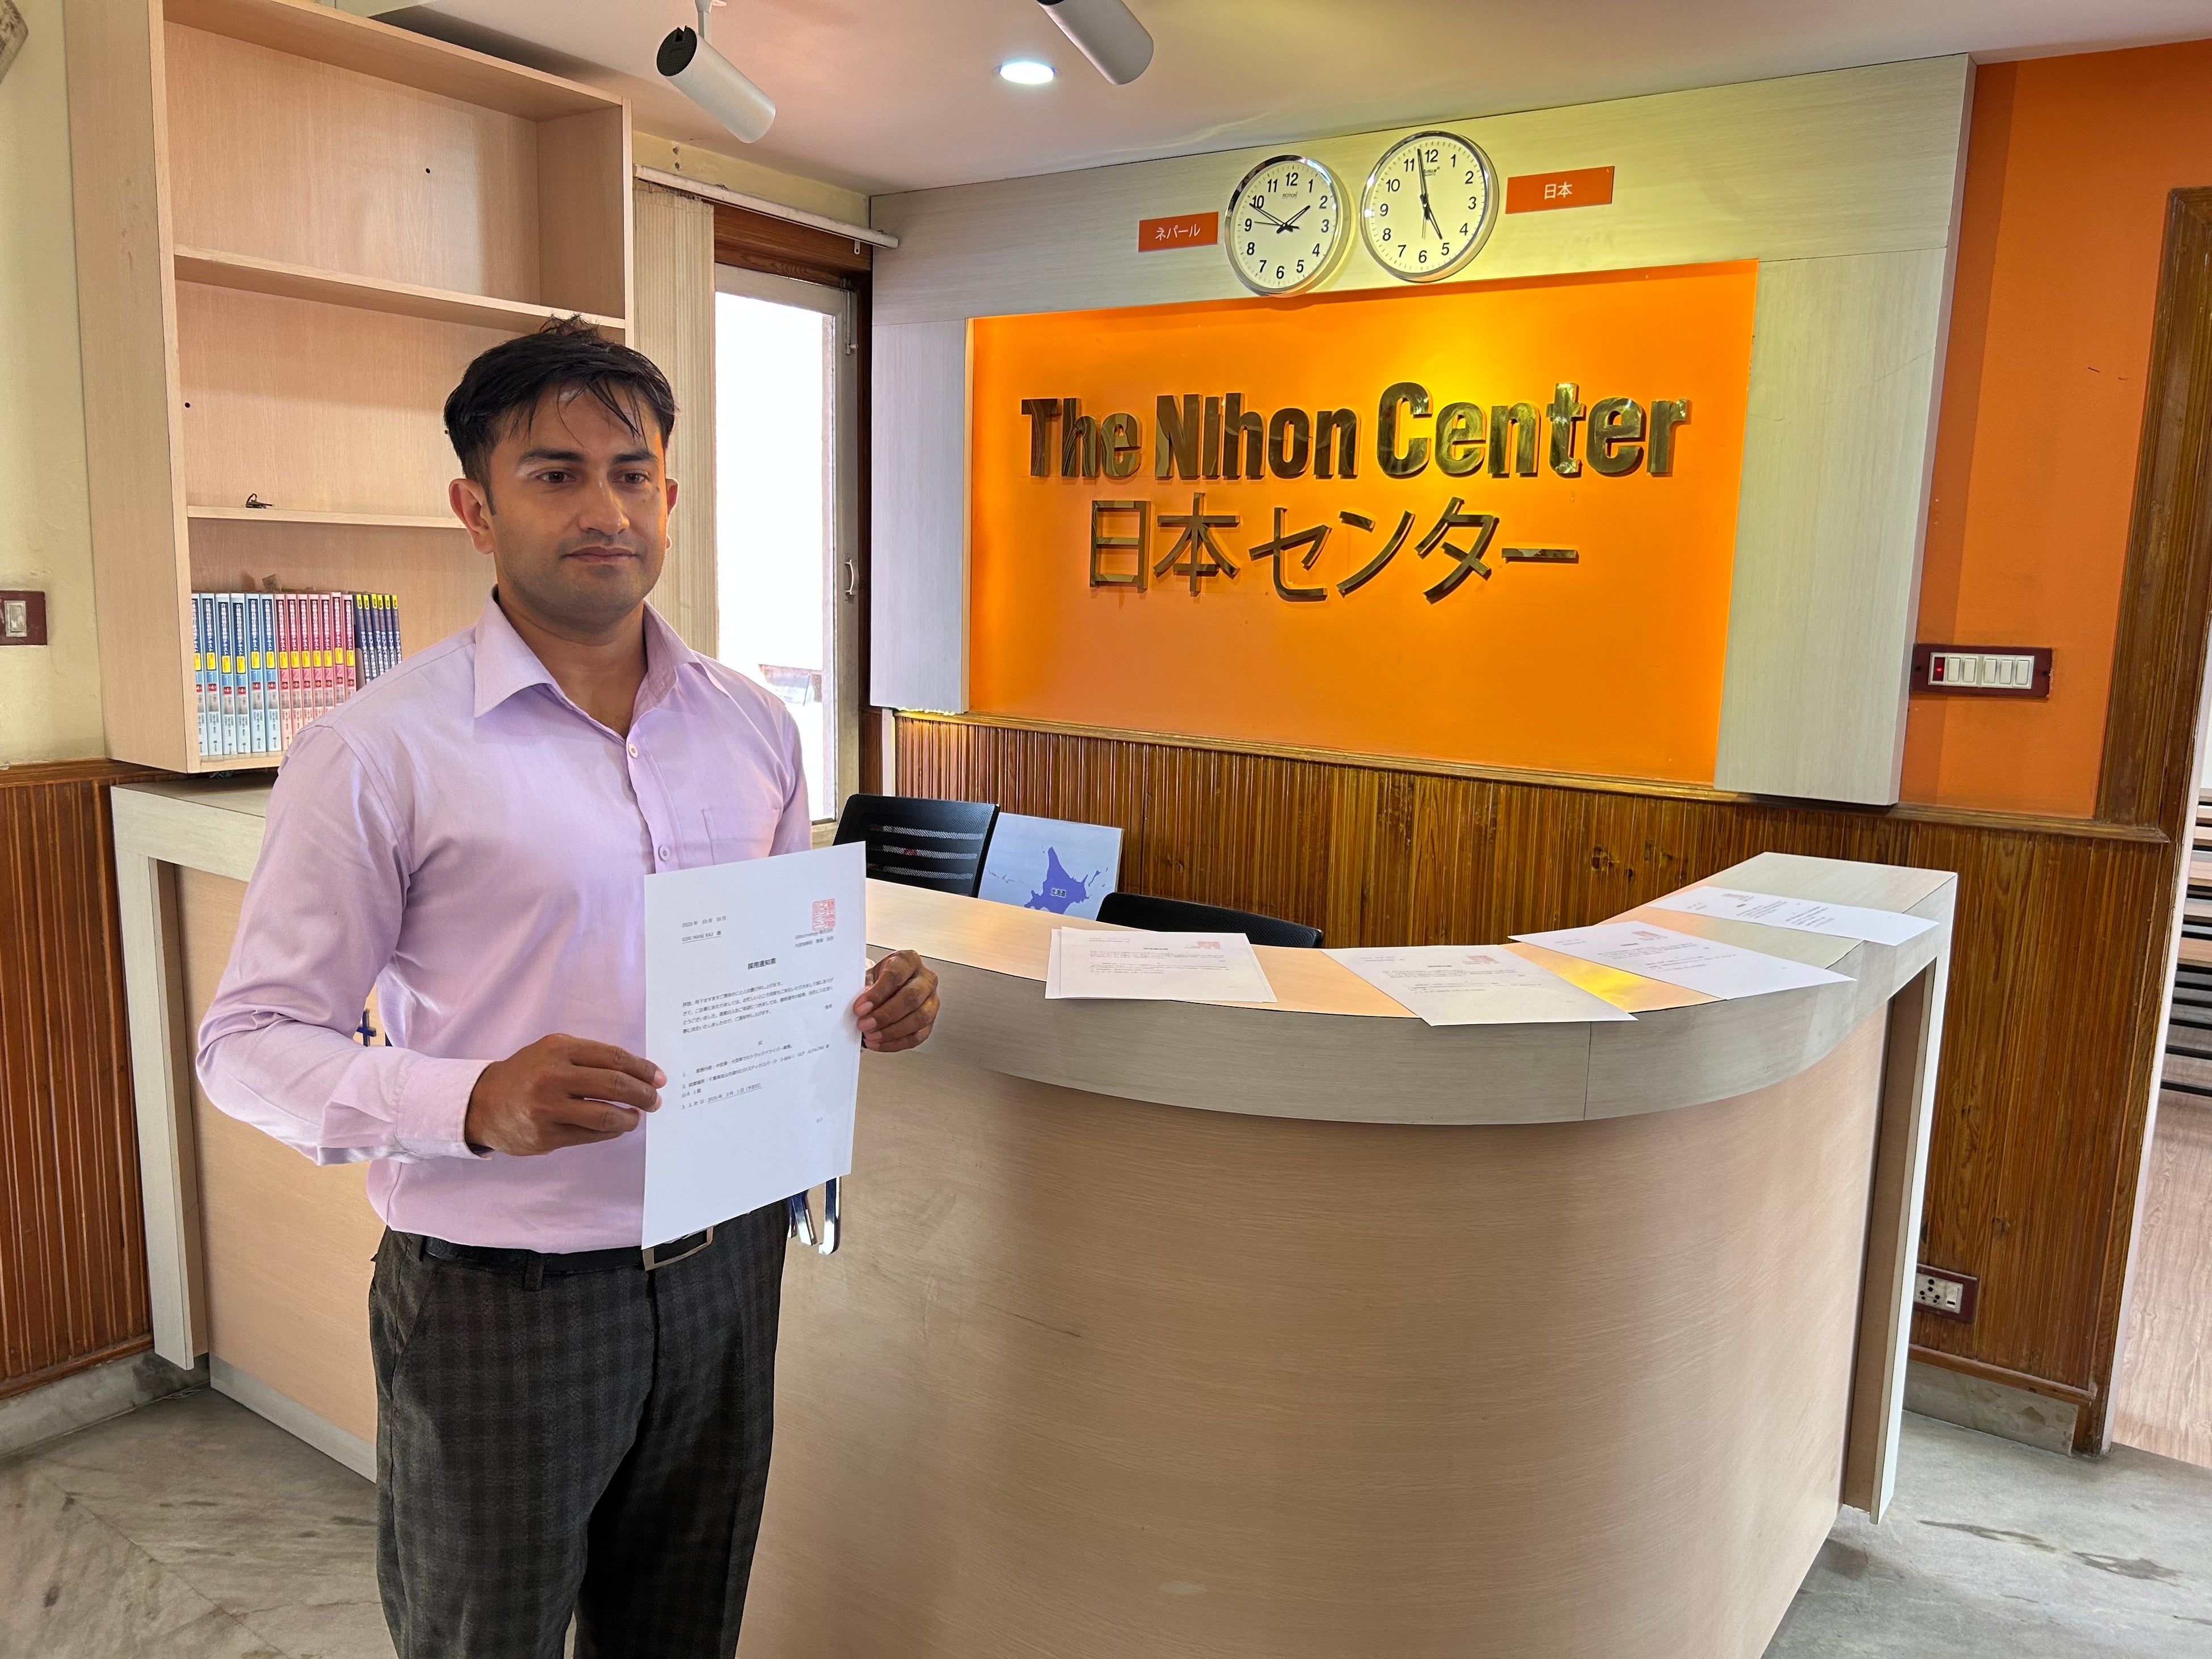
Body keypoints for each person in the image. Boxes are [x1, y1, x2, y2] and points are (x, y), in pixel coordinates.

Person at [196, 318, 940, 1659]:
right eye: (555, 473)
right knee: (483, 1639)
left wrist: (866, 995)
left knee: (684, 1629)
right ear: (476, 509)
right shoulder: (378, 751)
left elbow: (779, 956)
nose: (605, 507)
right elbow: (246, 1043)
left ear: (669, 494)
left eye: (631, 472)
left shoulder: (754, 724)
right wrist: (471, 1099)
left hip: (727, 1273)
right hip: (502, 1298)